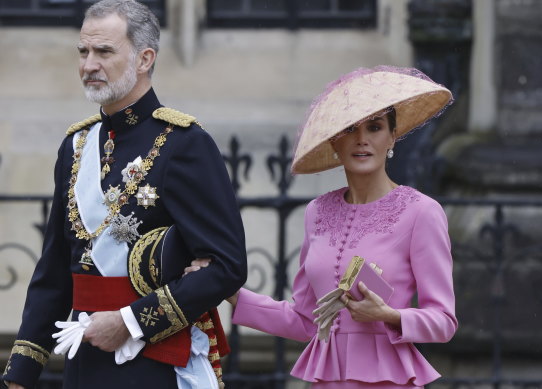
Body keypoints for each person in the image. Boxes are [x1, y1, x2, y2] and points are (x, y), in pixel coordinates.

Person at [2, 1, 247, 388]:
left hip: (152, 363)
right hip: (83, 364)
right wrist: (21, 372)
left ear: (145, 58)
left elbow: (226, 266)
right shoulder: (76, 145)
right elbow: (54, 273)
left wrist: (130, 322)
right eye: (83, 52)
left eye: (104, 52)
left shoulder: (184, 144)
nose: (88, 65)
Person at [188, 65, 458, 388]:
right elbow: (304, 321)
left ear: (392, 138)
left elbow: (443, 321)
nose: (361, 140)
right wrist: (231, 293)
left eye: (374, 127)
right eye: (349, 129)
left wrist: (390, 315)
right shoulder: (317, 211)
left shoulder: (422, 212)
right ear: (334, 141)